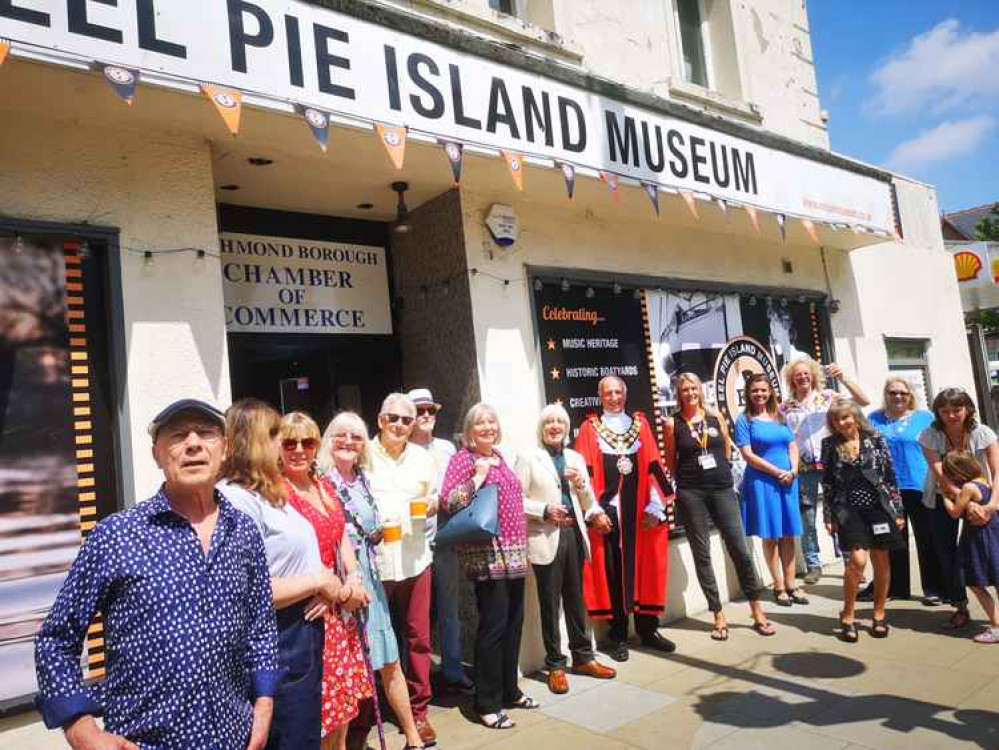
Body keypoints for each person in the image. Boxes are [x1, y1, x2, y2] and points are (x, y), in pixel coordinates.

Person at [34, 399, 279, 750]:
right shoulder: (116, 535)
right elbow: (55, 640)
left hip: (236, 738)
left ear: (224, 449)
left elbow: (261, 626)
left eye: (207, 433)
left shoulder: (244, 531)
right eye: (179, 436)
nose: (193, 443)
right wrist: (79, 727)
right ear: (157, 455)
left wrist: (264, 702)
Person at [218, 398, 344, 750]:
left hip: (300, 634)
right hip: (278, 638)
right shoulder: (237, 499)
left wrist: (323, 586)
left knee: (303, 734)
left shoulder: (269, 492)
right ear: (253, 441)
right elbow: (245, 590)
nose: (283, 442)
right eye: (276, 434)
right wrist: (318, 582)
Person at [316, 411, 427, 749]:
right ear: (328, 441)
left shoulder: (362, 478)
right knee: (348, 671)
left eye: (356, 436)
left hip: (371, 579)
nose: (349, 442)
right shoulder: (319, 482)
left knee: (388, 659)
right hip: (342, 586)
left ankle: (413, 737)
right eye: (341, 435)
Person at [278, 412, 375, 750]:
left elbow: (342, 539)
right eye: (290, 442)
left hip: (341, 611)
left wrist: (354, 578)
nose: (299, 450)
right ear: (277, 446)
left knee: (344, 711)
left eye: (308, 442)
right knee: (322, 717)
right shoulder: (278, 493)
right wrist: (326, 588)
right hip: (313, 615)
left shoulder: (324, 486)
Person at [440, 403, 531, 730]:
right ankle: (486, 702)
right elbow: (448, 502)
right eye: (480, 423)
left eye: (491, 421)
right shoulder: (462, 459)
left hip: (516, 555)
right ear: (469, 430)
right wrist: (476, 478)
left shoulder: (502, 457)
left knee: (513, 623)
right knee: (493, 628)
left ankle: (509, 690)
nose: (487, 427)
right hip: (487, 556)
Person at [665, 373, 776, 641]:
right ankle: (717, 614)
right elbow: (670, 461)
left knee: (739, 548)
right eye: (684, 389)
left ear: (700, 391)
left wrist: (719, 474)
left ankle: (757, 610)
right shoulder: (672, 423)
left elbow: (726, 450)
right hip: (692, 493)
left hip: (722, 489)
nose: (690, 393)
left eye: (694, 388)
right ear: (679, 394)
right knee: (701, 553)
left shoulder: (716, 417)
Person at [516, 404, 617, 693]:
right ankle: (556, 665)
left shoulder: (574, 456)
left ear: (566, 427)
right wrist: (544, 509)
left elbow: (587, 500)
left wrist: (585, 488)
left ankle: (583, 657)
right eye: (549, 422)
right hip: (545, 536)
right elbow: (515, 499)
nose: (555, 426)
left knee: (576, 599)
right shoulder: (528, 457)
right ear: (541, 427)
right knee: (550, 604)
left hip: (573, 533)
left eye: (560, 421)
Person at [575, 376, 675, 661]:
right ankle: (617, 634)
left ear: (625, 394)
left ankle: (648, 630)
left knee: (645, 568)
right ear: (600, 396)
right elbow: (584, 477)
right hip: (607, 513)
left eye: (618, 392)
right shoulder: (588, 428)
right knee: (611, 571)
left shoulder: (640, 424)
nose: (614, 397)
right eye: (608, 393)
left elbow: (655, 466)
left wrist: (656, 508)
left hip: (638, 513)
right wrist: (593, 512)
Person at [366, 393, 438, 745]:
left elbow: (434, 499)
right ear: (379, 420)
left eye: (406, 420)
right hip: (375, 563)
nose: (398, 425)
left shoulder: (423, 459)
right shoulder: (362, 454)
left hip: (415, 557)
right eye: (391, 418)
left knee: (418, 638)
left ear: (413, 425)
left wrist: (432, 504)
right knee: (372, 639)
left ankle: (419, 712)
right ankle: (368, 713)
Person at [821, 399, 906, 642]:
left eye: (846, 417)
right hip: (848, 510)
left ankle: (879, 614)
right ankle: (848, 613)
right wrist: (829, 515)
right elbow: (827, 483)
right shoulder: (829, 444)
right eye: (837, 420)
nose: (842, 423)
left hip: (878, 507)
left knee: (881, 560)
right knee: (857, 561)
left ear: (855, 417)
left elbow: (890, 476)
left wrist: (898, 511)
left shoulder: (875, 438)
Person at [780, 356, 870, 584]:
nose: (802, 377)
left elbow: (863, 401)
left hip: (833, 463)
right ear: (792, 379)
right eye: (797, 375)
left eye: (805, 373)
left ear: (813, 376)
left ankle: (851, 562)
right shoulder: (786, 406)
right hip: (804, 467)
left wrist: (843, 378)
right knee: (807, 517)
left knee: (840, 513)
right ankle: (813, 564)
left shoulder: (828, 397)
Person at [919, 387, 999, 630]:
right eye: (945, 411)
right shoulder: (929, 435)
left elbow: (997, 470)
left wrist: (992, 504)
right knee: (947, 552)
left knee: (988, 551)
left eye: (957, 410)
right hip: (943, 498)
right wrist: (965, 500)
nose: (951, 415)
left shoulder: (982, 432)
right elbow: (940, 474)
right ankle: (960, 606)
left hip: (982, 496)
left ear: (968, 409)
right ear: (938, 412)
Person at [407, 387, 469, 694]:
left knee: (449, 608)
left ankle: (453, 671)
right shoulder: (400, 450)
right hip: (413, 540)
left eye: (431, 410)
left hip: (445, 536)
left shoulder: (447, 448)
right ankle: (416, 679)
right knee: (415, 614)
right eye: (420, 412)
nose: (427, 416)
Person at [735, 373, 806, 608]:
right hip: (763, 482)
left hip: (788, 481)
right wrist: (777, 472)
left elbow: (792, 444)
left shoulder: (780, 415)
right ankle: (778, 585)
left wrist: (793, 470)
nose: (760, 394)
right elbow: (748, 455)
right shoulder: (744, 420)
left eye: (763, 390)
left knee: (788, 533)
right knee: (771, 535)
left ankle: (791, 582)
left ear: (770, 392)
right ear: (748, 393)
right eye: (755, 390)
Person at [868, 378, 939, 604]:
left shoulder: (925, 418)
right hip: (887, 489)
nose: (897, 397)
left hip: (920, 486)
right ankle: (897, 588)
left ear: (910, 395)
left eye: (902, 393)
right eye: (892, 393)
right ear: (885, 394)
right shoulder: (874, 419)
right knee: (893, 541)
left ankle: (934, 589)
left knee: (926, 538)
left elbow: (940, 446)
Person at [940, 452, 999, 644]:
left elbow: (955, 513)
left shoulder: (968, 488)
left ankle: (996, 625)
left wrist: (945, 497)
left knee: (976, 582)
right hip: (993, 532)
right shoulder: (984, 480)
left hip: (977, 538)